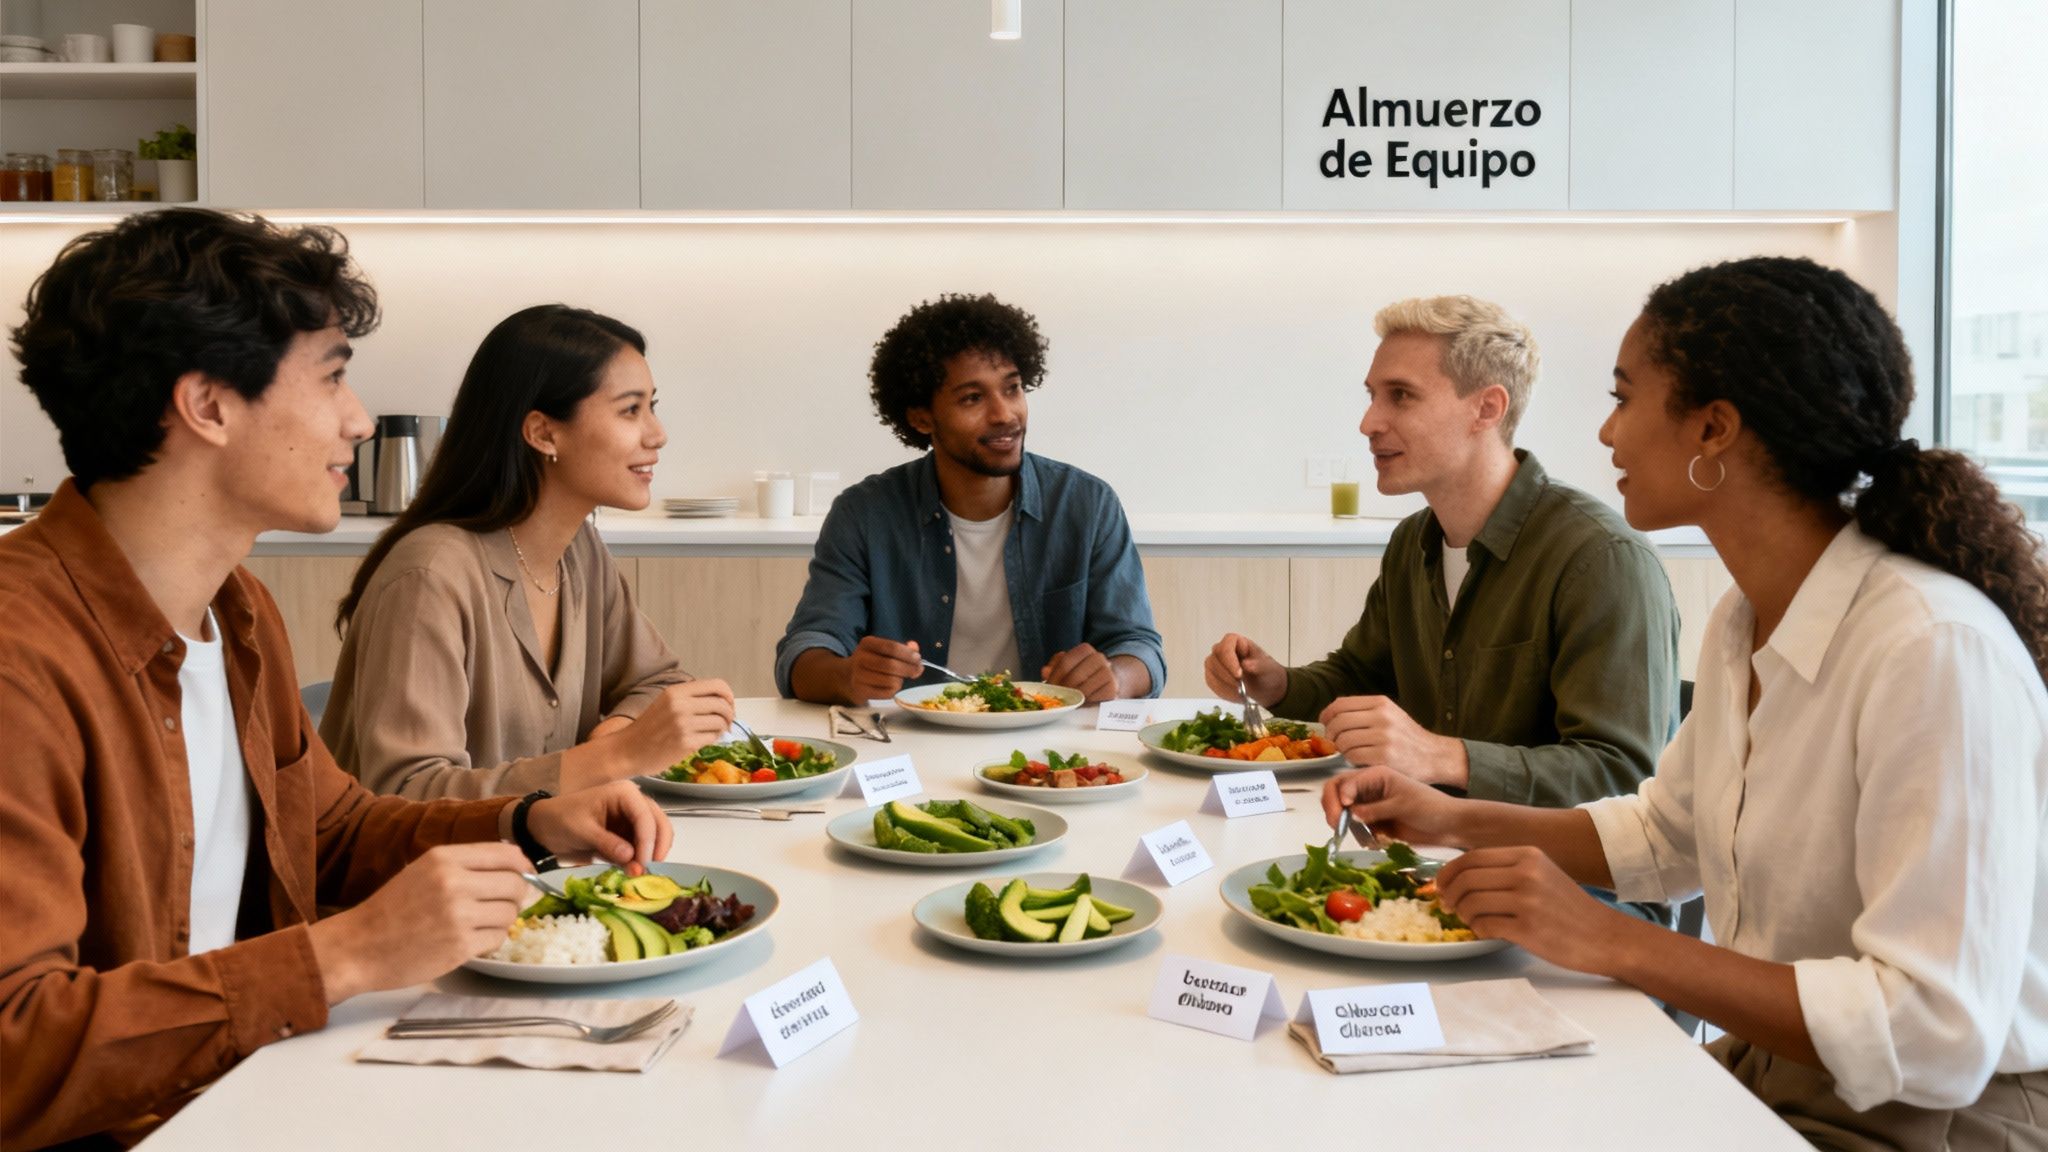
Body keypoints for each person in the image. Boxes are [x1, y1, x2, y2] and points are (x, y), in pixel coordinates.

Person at [1327, 257, 2048, 1148]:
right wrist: (1453, 818)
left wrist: (1612, 941)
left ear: (1715, 430)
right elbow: (1667, 835)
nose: (1605, 431)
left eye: (1625, 397)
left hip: (1941, 1116)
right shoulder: (1748, 617)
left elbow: (1936, 1032)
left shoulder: (1932, 647)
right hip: (1785, 1064)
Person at [0, 209, 672, 1150]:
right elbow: (14, 1046)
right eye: (332, 379)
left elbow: (335, 831)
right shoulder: (20, 659)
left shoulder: (235, 613)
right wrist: (345, 954)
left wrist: (528, 819)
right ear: (209, 405)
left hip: (250, 1093)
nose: (357, 420)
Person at [1207, 295, 1678, 816]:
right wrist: (1280, 683)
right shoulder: (1413, 542)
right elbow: (1361, 677)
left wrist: (1443, 756)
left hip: (1559, 879)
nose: (1368, 422)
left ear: (1487, 408)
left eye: (1401, 396)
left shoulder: (1601, 559)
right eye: (1372, 395)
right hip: (1431, 848)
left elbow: (1624, 777)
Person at [322, 305, 734, 799]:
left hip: (540, 861)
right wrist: (617, 755)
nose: (657, 433)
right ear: (542, 432)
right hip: (415, 873)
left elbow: (657, 679)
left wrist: (618, 729)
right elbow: (408, 793)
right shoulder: (431, 575)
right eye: (630, 410)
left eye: (652, 406)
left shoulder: (579, 550)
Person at [777, 293, 1165, 706]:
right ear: (921, 416)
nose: (1005, 414)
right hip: (912, 743)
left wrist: (1115, 678)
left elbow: (1140, 648)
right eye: (972, 398)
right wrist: (845, 676)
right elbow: (804, 652)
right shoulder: (864, 513)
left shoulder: (1087, 505)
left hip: (1049, 746)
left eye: (1012, 388)